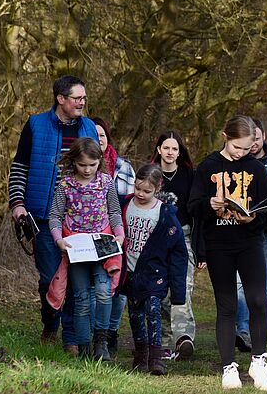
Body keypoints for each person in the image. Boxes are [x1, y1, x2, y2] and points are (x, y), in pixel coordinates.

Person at [7, 75, 99, 353]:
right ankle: (50, 323)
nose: (82, 102)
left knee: (76, 279)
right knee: (50, 278)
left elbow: (98, 171)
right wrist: (17, 203)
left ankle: (71, 338)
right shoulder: (35, 124)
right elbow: (20, 167)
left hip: (80, 219)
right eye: (77, 98)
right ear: (61, 99)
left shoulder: (90, 128)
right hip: (44, 217)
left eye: (84, 98)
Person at [187, 115, 267, 391]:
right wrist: (208, 204)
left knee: (258, 300)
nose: (241, 154)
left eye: (247, 149)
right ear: (225, 136)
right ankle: (228, 368)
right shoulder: (208, 166)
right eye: (237, 147)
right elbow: (192, 206)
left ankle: (258, 361)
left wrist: (254, 220)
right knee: (226, 306)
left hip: (249, 242)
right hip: (218, 245)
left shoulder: (256, 168)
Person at [46, 137, 125, 360]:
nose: (88, 169)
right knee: (81, 298)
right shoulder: (65, 186)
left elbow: (114, 212)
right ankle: (84, 347)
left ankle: (102, 341)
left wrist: (119, 233)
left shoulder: (107, 183)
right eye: (82, 165)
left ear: (100, 161)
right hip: (76, 247)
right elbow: (54, 216)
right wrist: (58, 239)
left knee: (103, 291)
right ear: (74, 163)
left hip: (102, 244)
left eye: (92, 164)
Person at [120, 164, 188, 376]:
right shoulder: (125, 205)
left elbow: (179, 251)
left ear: (158, 188)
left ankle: (156, 357)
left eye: (147, 191)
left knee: (153, 311)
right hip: (131, 272)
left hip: (155, 274)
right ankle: (140, 355)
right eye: (138, 188)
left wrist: (178, 291)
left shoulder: (165, 213)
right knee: (136, 315)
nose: (141, 194)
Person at [234, 117, 267, 352]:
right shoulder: (234, 162)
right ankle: (241, 330)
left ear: (263, 135)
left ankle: (256, 331)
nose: (253, 142)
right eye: (249, 138)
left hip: (263, 234)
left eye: (257, 137)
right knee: (238, 283)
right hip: (235, 231)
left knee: (259, 284)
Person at [91, 116, 136, 357]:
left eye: (102, 134)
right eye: (93, 134)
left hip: (118, 235)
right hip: (86, 234)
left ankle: (111, 330)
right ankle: (91, 335)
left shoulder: (123, 167)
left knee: (118, 288)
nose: (99, 139)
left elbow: (131, 203)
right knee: (91, 286)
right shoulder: (79, 165)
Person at [151, 130, 197, 360]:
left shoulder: (189, 175)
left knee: (183, 286)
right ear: (159, 149)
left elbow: (196, 211)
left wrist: (202, 249)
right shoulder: (150, 175)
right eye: (166, 148)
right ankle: (163, 341)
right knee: (160, 291)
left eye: (175, 149)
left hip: (184, 239)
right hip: (156, 241)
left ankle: (184, 338)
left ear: (180, 152)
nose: (170, 152)